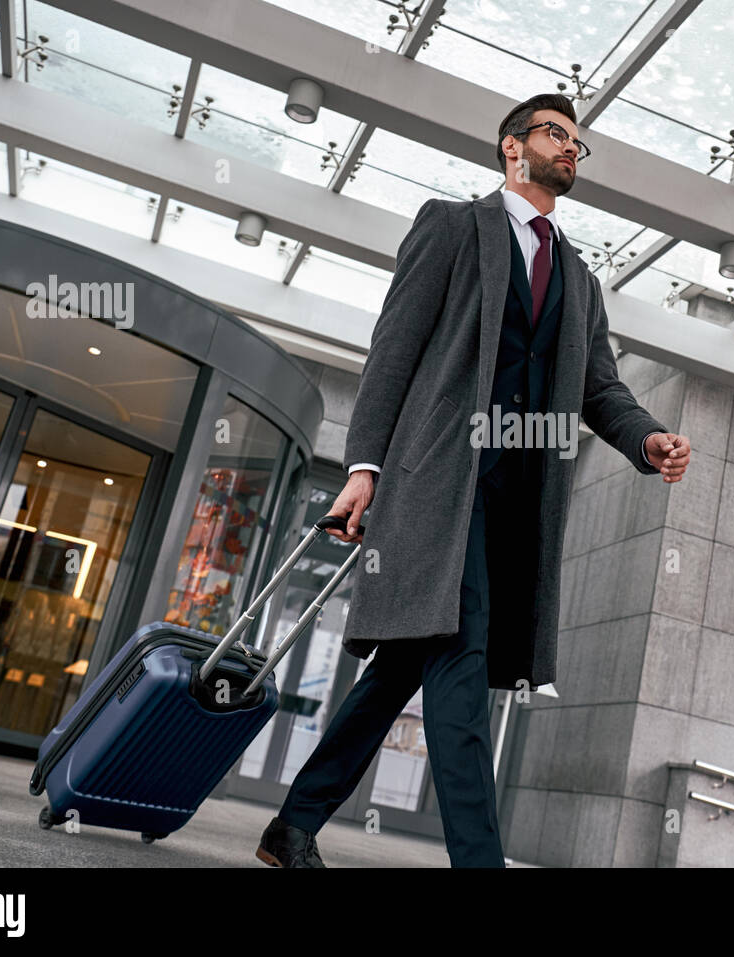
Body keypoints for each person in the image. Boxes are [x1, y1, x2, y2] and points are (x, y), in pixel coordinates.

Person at [256, 93, 692, 869]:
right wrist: (364, 468)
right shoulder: (453, 227)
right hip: (439, 488)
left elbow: (601, 388)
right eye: (557, 135)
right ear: (510, 147)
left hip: (517, 502)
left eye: (577, 144)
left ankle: (291, 824)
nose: (570, 150)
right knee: (459, 654)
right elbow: (394, 350)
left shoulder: (581, 279)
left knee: (400, 669)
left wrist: (645, 438)